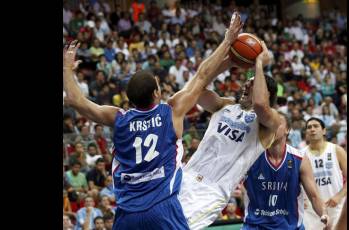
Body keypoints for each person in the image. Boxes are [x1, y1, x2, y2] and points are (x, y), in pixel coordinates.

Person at [63, 12, 243, 230]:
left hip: (127, 212)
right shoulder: (171, 111)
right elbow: (203, 75)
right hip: (163, 209)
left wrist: (66, 70)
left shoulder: (117, 117)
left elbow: (75, 100)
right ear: (157, 93)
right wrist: (227, 41)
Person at [176, 27, 284, 229]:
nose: (245, 86)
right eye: (246, 82)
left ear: (266, 93)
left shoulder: (270, 121)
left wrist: (259, 63)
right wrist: (229, 62)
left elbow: (260, 105)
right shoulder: (224, 105)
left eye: (251, 85)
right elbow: (197, 86)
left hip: (211, 191)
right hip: (185, 176)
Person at [242, 112, 331, 229]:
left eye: (277, 123)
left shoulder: (300, 159)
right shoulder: (250, 156)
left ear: (287, 129)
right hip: (256, 225)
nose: (271, 126)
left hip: (290, 226)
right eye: (268, 123)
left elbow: (314, 196)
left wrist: (324, 214)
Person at [302, 117, 347, 230]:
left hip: (336, 206)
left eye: (316, 126)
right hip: (312, 211)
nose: (312, 129)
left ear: (324, 131)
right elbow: (294, 181)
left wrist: (339, 196)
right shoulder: (301, 154)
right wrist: (299, 199)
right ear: (306, 133)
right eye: (309, 127)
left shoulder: (336, 150)